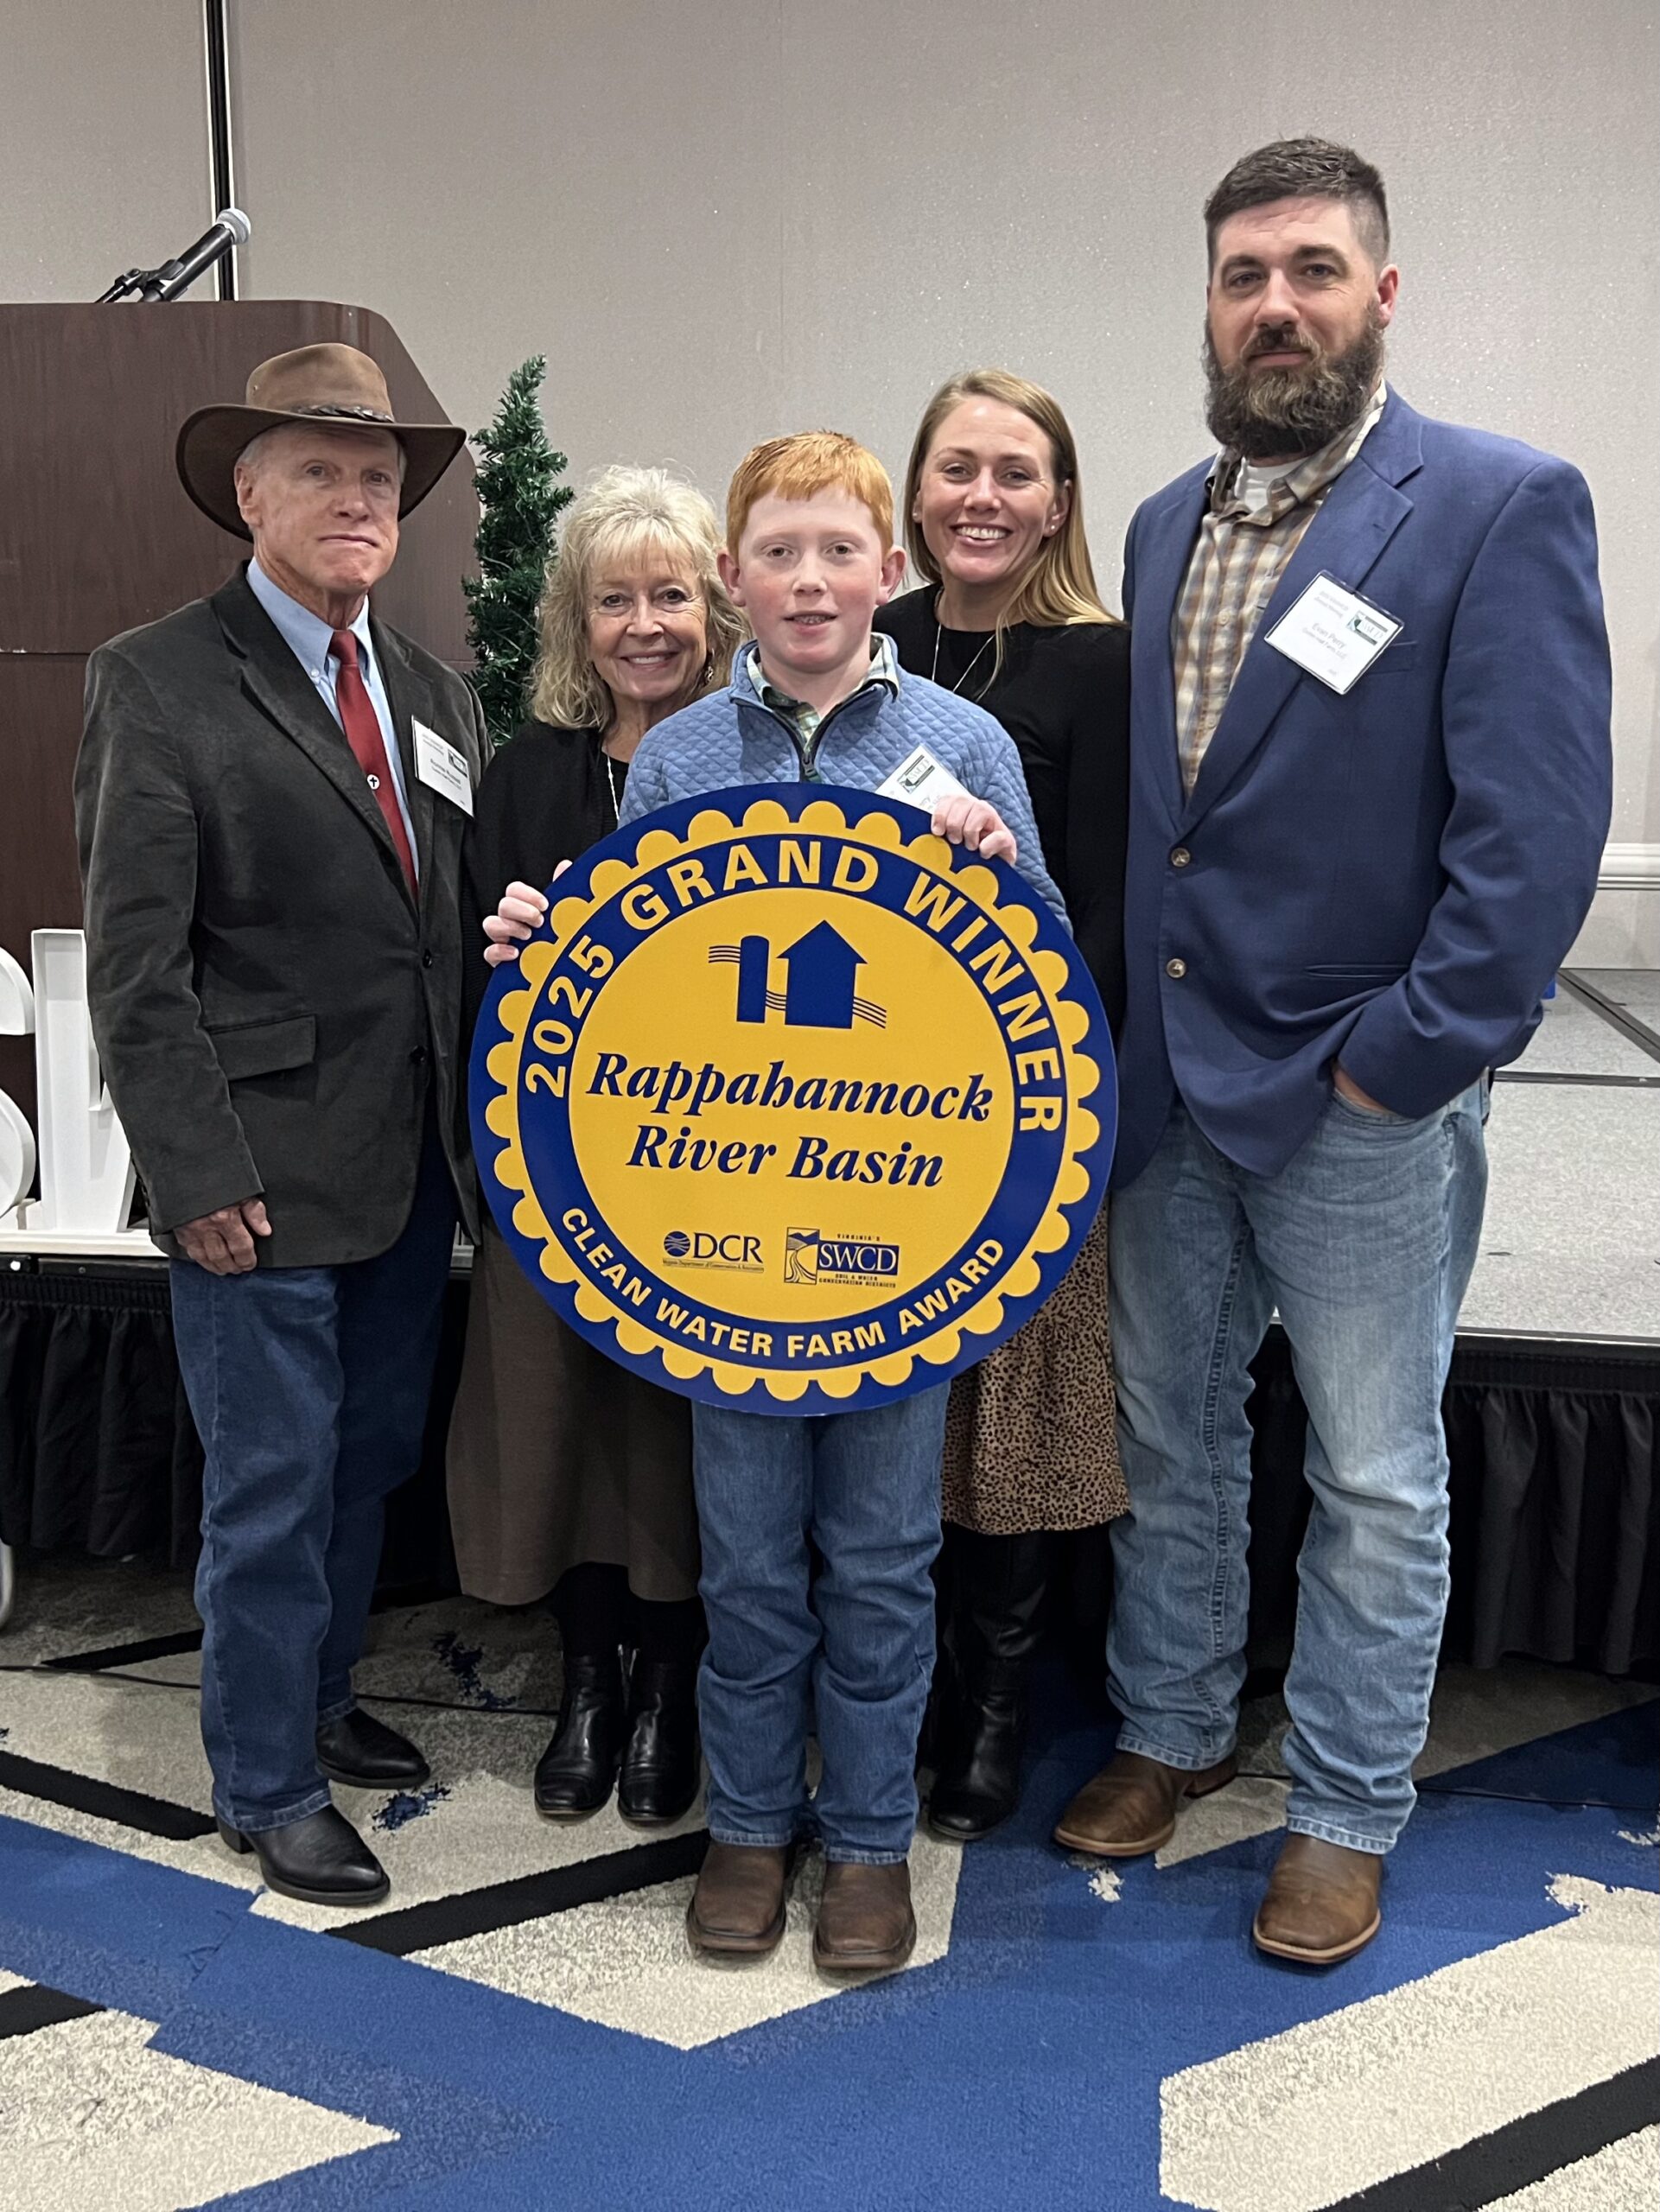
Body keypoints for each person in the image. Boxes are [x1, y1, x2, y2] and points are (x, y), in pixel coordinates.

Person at [1053, 140, 1612, 1964]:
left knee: (1374, 1467)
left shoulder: (1497, 502)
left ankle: (1347, 1802)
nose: (1271, 302)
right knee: (1172, 1428)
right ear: (1205, 308)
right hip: (1173, 1089)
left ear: (1383, 293)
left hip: (1360, 1096)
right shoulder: (1156, 524)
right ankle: (1169, 1720)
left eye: (1309, 267)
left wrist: (1406, 1057)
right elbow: (1177, 826)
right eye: (1239, 274)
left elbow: (1526, 836)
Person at [487, 432, 1065, 1974]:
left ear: (892, 569)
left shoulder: (962, 741)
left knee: (881, 1561)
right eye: (778, 555)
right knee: (742, 1560)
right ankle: (748, 1824)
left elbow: (1051, 981)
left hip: (901, 1243)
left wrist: (999, 874)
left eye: (838, 552)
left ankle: (866, 1841)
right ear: (738, 583)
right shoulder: (677, 757)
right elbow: (629, 1005)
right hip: (725, 1250)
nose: (810, 581)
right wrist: (549, 947)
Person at [76, 344, 482, 1908]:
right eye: (319, 471)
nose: (356, 499)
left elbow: (436, 934)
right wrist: (191, 1169)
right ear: (249, 497)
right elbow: (134, 956)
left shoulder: (433, 692)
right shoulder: (158, 676)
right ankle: (264, 1780)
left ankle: (315, 1700)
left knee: (364, 1464)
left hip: (403, 1174)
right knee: (268, 1487)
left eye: (377, 478)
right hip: (251, 1176)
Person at [449, 467, 742, 1826]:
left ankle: (669, 1686)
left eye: (670, 594)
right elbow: (471, 981)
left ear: (714, 609)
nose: (644, 624)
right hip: (551, 1175)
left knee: (677, 1441)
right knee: (555, 1430)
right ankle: (585, 1682)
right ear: (577, 621)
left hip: (714, 1180)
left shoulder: (757, 765)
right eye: (614, 598)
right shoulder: (522, 777)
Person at [875, 369, 1130, 1842]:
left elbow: (1094, 906)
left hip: (1020, 1107)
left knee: (1009, 1422)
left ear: (1057, 502)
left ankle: (987, 1712)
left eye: (1014, 472)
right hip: (862, 1114)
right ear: (913, 493)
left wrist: (1034, 1101)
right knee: (890, 1402)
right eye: (956, 467)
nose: (982, 495)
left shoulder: (1096, 662)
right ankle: (894, 1691)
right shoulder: (872, 641)